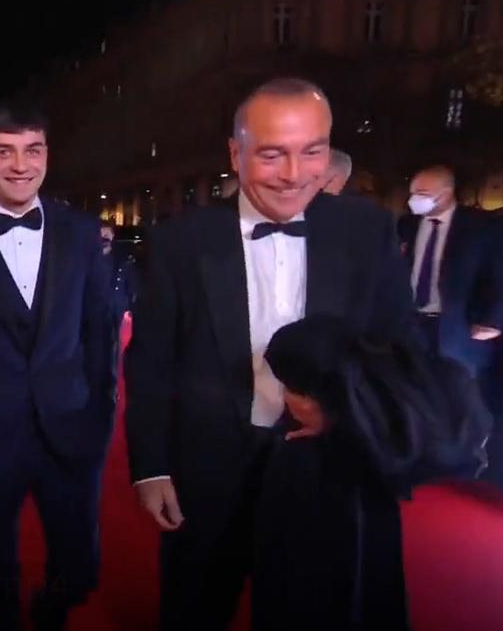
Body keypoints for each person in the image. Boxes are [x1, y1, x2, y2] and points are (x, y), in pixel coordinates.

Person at [125, 77, 416, 630]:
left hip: (330, 464)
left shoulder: (368, 231)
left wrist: (347, 412)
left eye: (312, 151)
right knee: (194, 609)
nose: (294, 174)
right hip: (208, 471)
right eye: (272, 154)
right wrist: (151, 468)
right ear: (235, 154)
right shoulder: (180, 243)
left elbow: (397, 347)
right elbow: (152, 362)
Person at [0, 101, 116, 631]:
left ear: (47, 155)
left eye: (33, 150)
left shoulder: (83, 235)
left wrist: (100, 419)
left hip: (72, 430)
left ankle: (53, 610)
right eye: (3, 152)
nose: (20, 165)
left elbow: (100, 335)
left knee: (78, 569)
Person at [256, 315, 490, 631]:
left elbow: (285, 576)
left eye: (287, 386)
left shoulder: (304, 462)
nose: (284, 397)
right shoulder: (381, 442)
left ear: (310, 397)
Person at [398, 164, 503, 380]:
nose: (414, 199)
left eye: (422, 194)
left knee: (458, 389)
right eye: (413, 193)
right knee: (413, 385)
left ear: (445, 194)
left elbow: (502, 277)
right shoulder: (407, 224)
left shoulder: (482, 227)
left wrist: (493, 320)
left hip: (459, 325)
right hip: (411, 323)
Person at [101, 220, 138, 330]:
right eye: (101, 236)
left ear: (112, 236)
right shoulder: (91, 259)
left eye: (106, 235)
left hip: (119, 309)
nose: (103, 239)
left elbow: (130, 284)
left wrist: (130, 307)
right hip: (98, 310)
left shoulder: (122, 260)